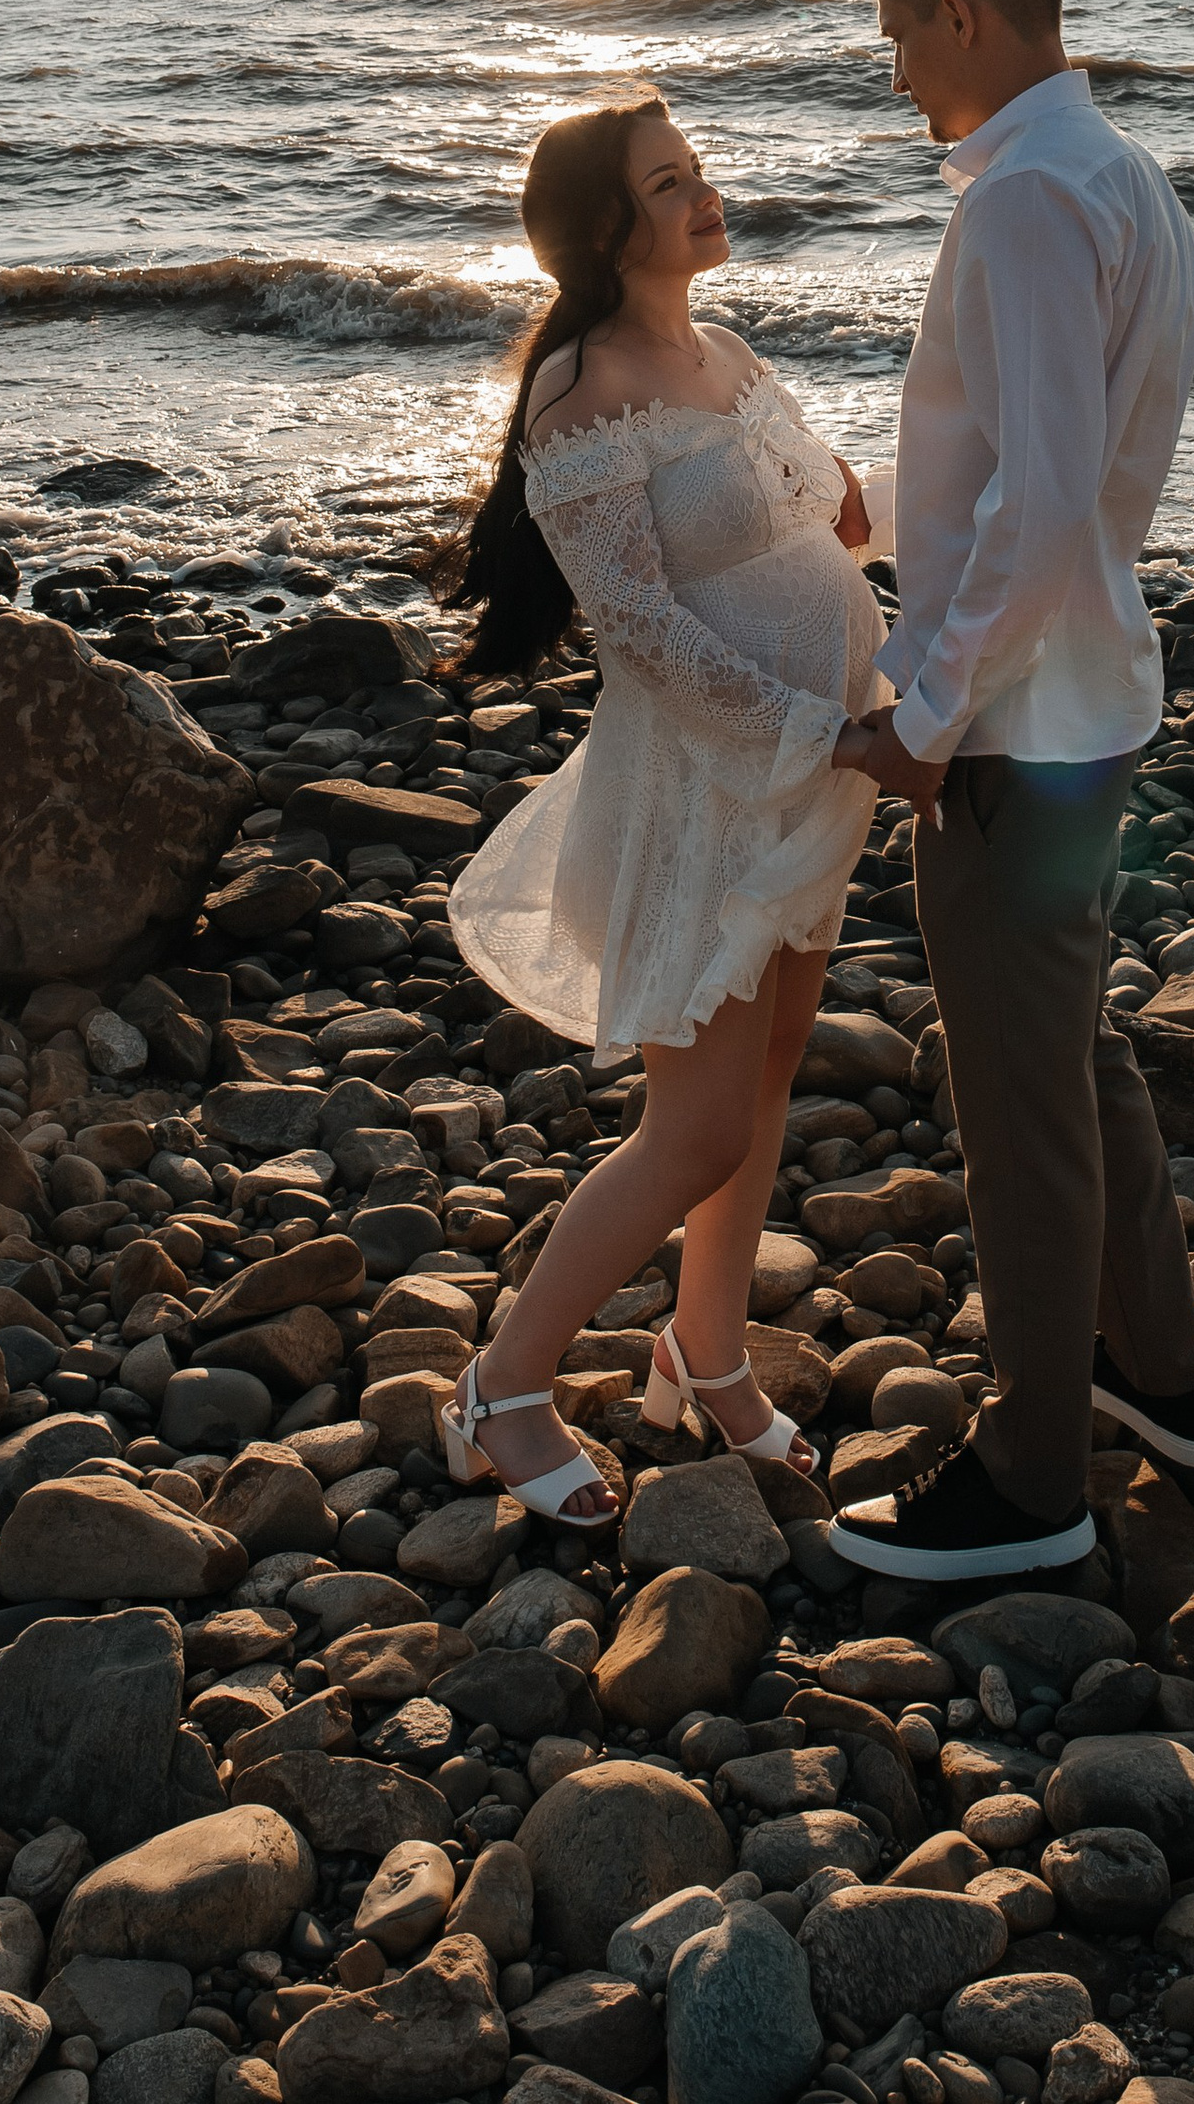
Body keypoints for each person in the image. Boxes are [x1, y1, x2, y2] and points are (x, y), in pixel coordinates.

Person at [826, 0, 1194, 1580]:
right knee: (1074, 1050)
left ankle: (1035, 1480)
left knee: (1020, 1108)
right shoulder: (1119, 173)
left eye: (901, 31)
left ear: (966, 14)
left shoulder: (1025, 201)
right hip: (1082, 694)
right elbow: (1074, 487)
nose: (898, 67)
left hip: (1015, 719)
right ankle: (1168, 1383)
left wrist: (923, 711)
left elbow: (1046, 502)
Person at [438, 91, 889, 1524]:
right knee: (693, 1124)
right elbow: (641, 630)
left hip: (812, 785)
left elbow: (835, 517)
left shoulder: (729, 352)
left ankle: (700, 1352)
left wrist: (992, 453)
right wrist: (838, 735)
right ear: (603, 229)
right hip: (705, 793)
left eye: (696, 169)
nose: (704, 195)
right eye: (669, 182)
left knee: (768, 1076)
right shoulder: (584, 389)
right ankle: (501, 1389)